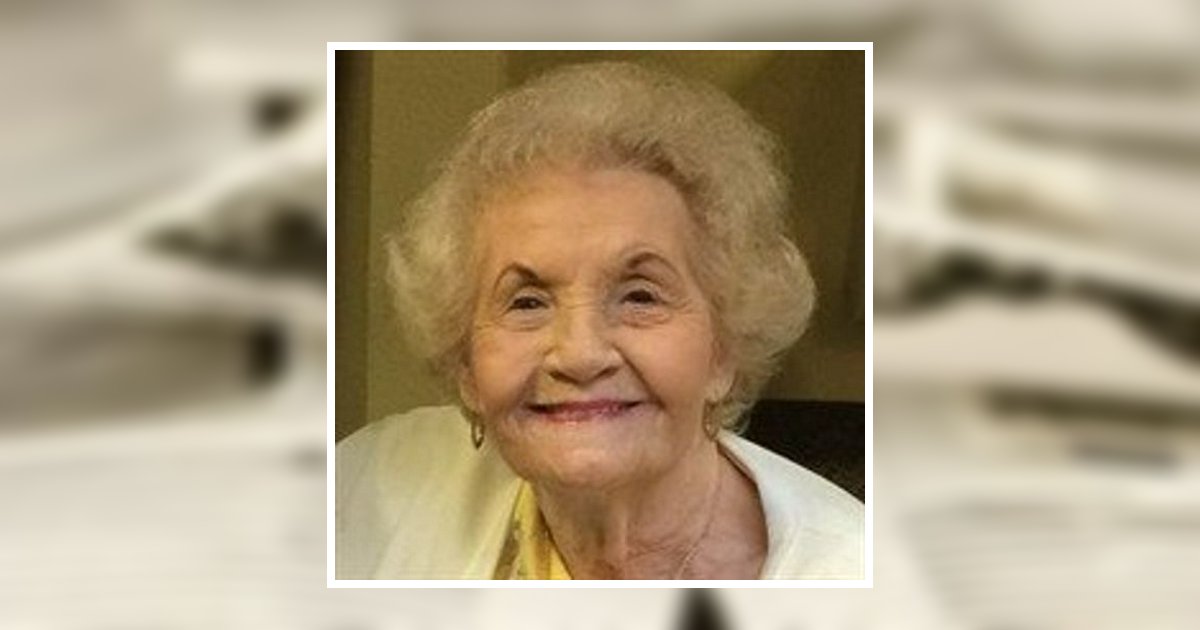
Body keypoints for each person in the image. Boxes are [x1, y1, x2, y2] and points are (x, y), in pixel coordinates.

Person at [336, 61, 863, 580]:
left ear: (724, 350)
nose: (580, 355)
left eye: (639, 297)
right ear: (467, 367)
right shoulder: (359, 494)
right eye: (527, 303)